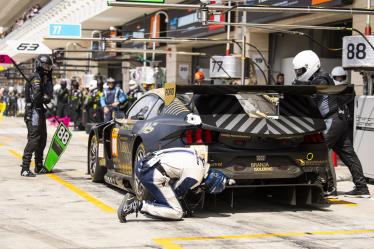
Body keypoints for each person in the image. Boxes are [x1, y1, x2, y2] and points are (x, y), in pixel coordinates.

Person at [292, 50, 370, 198]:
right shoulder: (320, 77)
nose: (298, 74)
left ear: (310, 66)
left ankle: (328, 186)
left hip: (332, 120)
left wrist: (298, 88)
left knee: (319, 150)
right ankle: (362, 188)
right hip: (338, 119)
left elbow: (311, 98)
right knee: (348, 154)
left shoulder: (321, 79)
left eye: (300, 71)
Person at [117, 148, 227, 222]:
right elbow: (177, 192)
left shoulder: (199, 158)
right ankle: (137, 204)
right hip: (150, 172)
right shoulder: (196, 176)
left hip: (145, 162)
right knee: (177, 212)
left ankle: (152, 204)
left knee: (169, 188)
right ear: (209, 184)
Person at [21, 54, 53, 177]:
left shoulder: (44, 78)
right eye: (45, 65)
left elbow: (48, 95)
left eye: (49, 66)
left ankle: (39, 166)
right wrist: (43, 97)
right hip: (32, 111)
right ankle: (25, 168)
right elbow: (36, 96)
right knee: (34, 139)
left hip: (40, 111)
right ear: (39, 64)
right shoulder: (35, 78)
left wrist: (47, 96)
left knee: (42, 139)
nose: (47, 68)